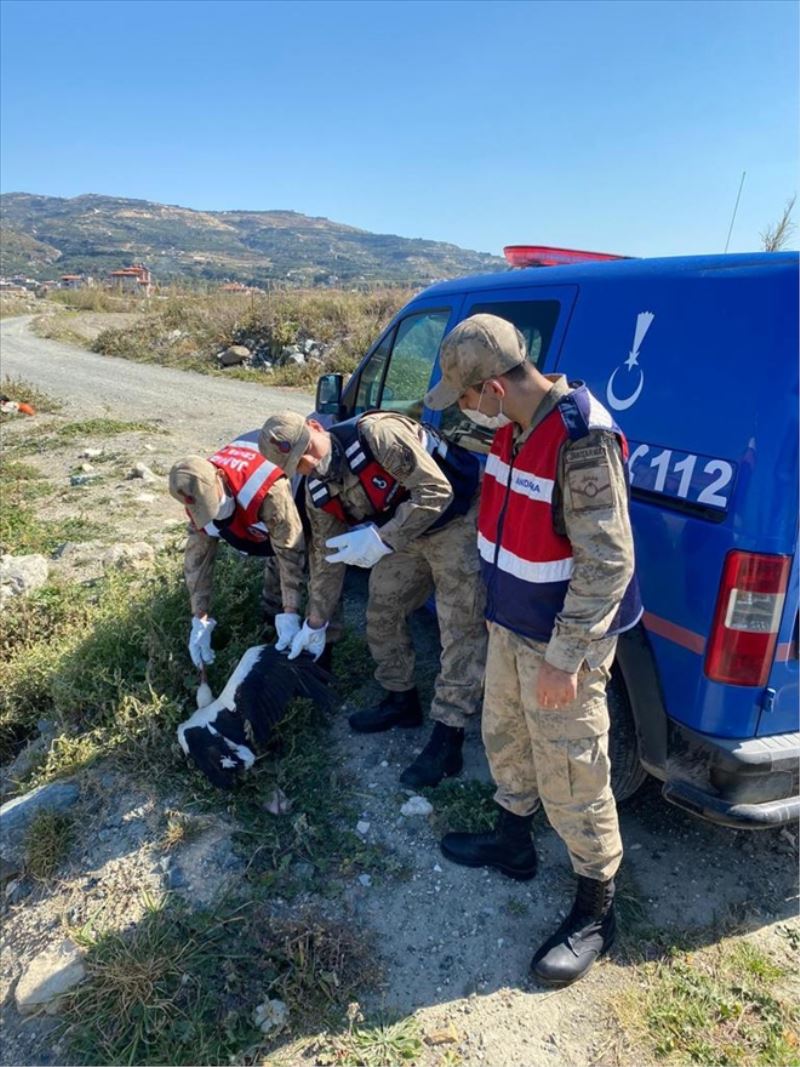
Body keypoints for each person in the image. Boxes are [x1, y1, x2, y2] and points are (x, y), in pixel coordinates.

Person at [425, 313, 641, 987]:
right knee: (507, 736)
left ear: (493, 387)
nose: (465, 412)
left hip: (561, 642)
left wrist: (565, 656)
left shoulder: (579, 438)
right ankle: (512, 841)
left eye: (464, 398)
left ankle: (597, 910)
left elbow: (609, 561)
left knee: (573, 769)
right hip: (510, 623)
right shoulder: (513, 426)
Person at [258, 409, 487, 788]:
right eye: (297, 463)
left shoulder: (377, 435)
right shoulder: (318, 492)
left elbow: (436, 491)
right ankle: (401, 699)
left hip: (456, 519)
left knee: (459, 626)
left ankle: (449, 736)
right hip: (406, 532)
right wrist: (315, 623)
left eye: (308, 449)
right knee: (382, 608)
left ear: (317, 427)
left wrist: (381, 539)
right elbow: (326, 558)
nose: (310, 463)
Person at [168, 429, 308, 671]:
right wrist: (199, 618)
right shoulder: (193, 488)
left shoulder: (267, 489)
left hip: (296, 499)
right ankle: (267, 626)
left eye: (213, 504)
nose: (212, 513)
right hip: (253, 508)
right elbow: (198, 560)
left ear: (220, 477)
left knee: (292, 566)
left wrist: (291, 611)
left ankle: (307, 640)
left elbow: (289, 549)